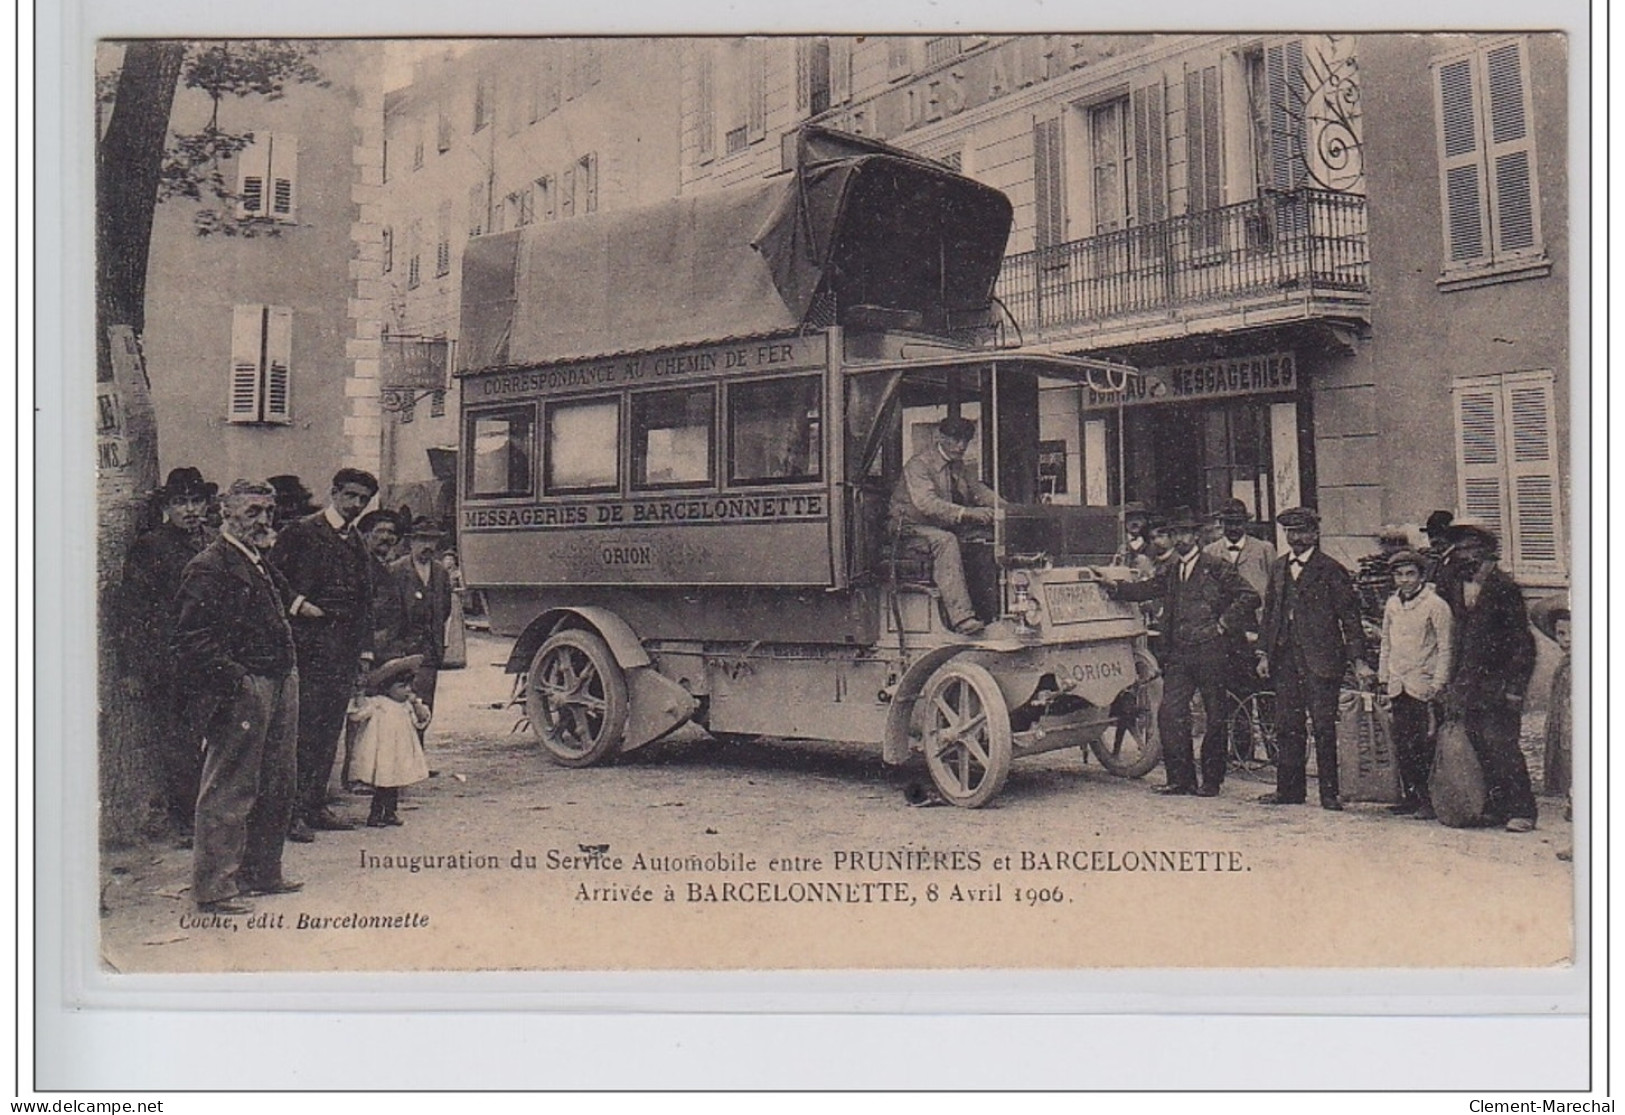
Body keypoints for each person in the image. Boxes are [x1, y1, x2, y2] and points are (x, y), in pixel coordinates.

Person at [171, 480, 302, 914]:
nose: (263, 520)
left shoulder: (255, 559)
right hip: (246, 688)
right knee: (230, 787)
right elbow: (192, 638)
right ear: (226, 515)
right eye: (252, 512)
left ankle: (262, 873)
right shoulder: (209, 565)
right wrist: (239, 681)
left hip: (278, 680)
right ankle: (214, 888)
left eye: (268, 510)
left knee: (277, 782)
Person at [1105, 507, 1260, 797]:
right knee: (1170, 713)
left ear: (1197, 535)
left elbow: (1249, 596)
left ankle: (1211, 782)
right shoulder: (1173, 570)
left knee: (1215, 717)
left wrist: (1223, 624)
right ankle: (1180, 780)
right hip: (1180, 654)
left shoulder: (1216, 566)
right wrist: (1114, 588)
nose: (1180, 538)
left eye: (1185, 533)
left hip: (1212, 652)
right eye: (1175, 533)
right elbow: (1147, 588)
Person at [269, 468, 380, 841]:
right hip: (307, 649)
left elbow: (365, 601)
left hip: (342, 653)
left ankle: (315, 804)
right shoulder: (300, 532)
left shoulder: (358, 542)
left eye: (363, 500)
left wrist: (364, 650)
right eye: (350, 496)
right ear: (333, 492)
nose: (356, 505)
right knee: (302, 732)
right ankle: (292, 813)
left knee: (328, 731)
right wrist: (300, 605)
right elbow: (271, 578)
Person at [121, 466, 216, 841]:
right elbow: (132, 610)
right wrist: (132, 668)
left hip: (210, 656)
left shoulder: (212, 541)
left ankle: (209, 814)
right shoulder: (151, 547)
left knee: (214, 738)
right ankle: (186, 820)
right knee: (180, 742)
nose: (190, 510)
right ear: (167, 507)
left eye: (196, 501)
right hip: (169, 658)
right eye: (181, 502)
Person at [1256, 506, 1373, 811]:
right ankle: (1289, 791)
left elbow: (1349, 618)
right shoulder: (1279, 567)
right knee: (1287, 725)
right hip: (1285, 660)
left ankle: (1329, 794)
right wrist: (1264, 653)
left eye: (1302, 531)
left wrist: (1358, 659)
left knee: (1323, 727)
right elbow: (1270, 613)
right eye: (1290, 532)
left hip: (1322, 660)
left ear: (1315, 533)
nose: (1296, 537)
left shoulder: (1330, 569)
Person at [1438, 521, 1538, 832]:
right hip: (1469, 683)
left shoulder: (1504, 587)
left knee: (1503, 744)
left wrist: (1515, 688)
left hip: (1499, 683)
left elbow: (1523, 643)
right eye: (1461, 549)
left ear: (1486, 551)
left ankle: (1523, 810)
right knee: (1479, 744)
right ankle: (1495, 807)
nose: (1465, 556)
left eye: (1471, 549)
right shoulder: (1456, 584)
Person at [888, 416, 1003, 636]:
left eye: (965, 441)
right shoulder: (918, 464)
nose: (961, 446)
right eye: (955, 440)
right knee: (946, 541)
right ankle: (962, 618)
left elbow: (979, 491)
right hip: (909, 529)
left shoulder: (959, 466)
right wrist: (967, 513)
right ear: (940, 437)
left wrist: (1007, 508)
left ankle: (991, 614)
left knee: (985, 539)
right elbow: (927, 504)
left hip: (939, 526)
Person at [1376, 549, 1454, 819]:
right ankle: (1410, 796)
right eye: (1399, 574)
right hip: (1398, 683)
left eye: (1410, 574)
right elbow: (1386, 641)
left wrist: (1439, 682)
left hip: (1423, 684)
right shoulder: (1393, 604)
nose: (1405, 580)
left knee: (1425, 744)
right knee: (1403, 743)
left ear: (1421, 575)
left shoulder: (1435, 605)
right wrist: (1384, 677)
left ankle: (1429, 800)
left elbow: (1445, 647)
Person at [349, 656, 432, 827]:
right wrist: (359, 694)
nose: (407, 690)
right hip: (383, 752)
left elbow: (421, 720)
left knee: (394, 784)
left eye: (409, 686)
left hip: (399, 751)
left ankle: (390, 813)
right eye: (402, 687)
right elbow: (358, 714)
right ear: (387, 688)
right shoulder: (379, 704)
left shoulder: (406, 706)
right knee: (383, 785)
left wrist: (416, 703)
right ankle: (375, 814)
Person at [389, 516, 455, 710]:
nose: (428, 545)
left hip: (429, 652)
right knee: (400, 706)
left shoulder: (440, 572)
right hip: (402, 650)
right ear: (411, 542)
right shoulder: (396, 571)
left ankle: (420, 741)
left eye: (432, 540)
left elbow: (445, 609)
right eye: (422, 539)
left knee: (424, 706)